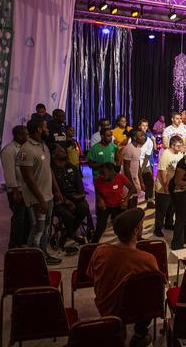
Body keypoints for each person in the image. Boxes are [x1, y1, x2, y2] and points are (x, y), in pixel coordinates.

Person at [87, 208, 164, 347]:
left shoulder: (100, 251)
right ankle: (140, 334)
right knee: (151, 294)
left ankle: (117, 331)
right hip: (133, 309)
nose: (142, 227)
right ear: (135, 231)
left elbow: (91, 276)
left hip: (105, 307)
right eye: (141, 224)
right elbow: (160, 284)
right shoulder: (147, 259)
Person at [18, 119, 63, 264]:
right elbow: (28, 178)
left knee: (46, 228)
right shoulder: (26, 149)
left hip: (48, 195)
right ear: (38, 129)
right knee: (37, 228)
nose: (48, 129)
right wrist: (41, 199)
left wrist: (56, 189)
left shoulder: (43, 146)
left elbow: (48, 169)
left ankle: (43, 254)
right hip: (37, 198)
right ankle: (32, 259)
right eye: (45, 127)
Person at [50, 144, 89, 254]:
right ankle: (71, 234)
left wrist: (81, 194)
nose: (64, 153)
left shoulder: (72, 168)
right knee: (67, 214)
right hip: (59, 200)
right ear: (53, 155)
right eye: (61, 152)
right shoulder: (51, 170)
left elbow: (79, 185)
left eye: (64, 151)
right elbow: (52, 190)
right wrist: (66, 202)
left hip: (75, 197)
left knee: (84, 208)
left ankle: (68, 232)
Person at [0, 125, 30, 248]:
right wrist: (15, 190)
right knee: (19, 218)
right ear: (18, 136)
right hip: (17, 190)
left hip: (26, 189)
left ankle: (24, 241)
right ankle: (14, 245)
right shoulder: (9, 150)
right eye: (26, 134)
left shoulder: (23, 148)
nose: (28, 137)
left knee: (27, 217)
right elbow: (9, 172)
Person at [93, 162, 136, 242]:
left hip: (118, 205)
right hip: (105, 206)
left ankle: (126, 243)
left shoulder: (120, 177)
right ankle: (92, 246)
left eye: (103, 173)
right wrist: (100, 199)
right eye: (100, 173)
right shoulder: (98, 180)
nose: (101, 175)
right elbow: (97, 192)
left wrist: (126, 200)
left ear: (111, 172)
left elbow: (132, 188)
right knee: (100, 227)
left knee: (123, 226)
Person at [154, 135, 184, 237]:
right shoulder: (165, 154)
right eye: (178, 146)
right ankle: (158, 228)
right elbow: (162, 171)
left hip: (174, 186)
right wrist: (165, 185)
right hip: (163, 187)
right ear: (172, 145)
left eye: (181, 146)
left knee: (172, 207)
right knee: (162, 208)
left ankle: (169, 223)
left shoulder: (179, 154)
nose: (180, 148)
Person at [137, 119, 155, 209]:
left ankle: (150, 200)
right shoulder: (133, 137)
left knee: (150, 182)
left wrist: (142, 169)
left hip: (145, 164)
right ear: (139, 126)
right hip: (134, 164)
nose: (145, 127)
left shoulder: (149, 140)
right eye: (143, 125)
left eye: (146, 126)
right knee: (135, 185)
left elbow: (147, 157)